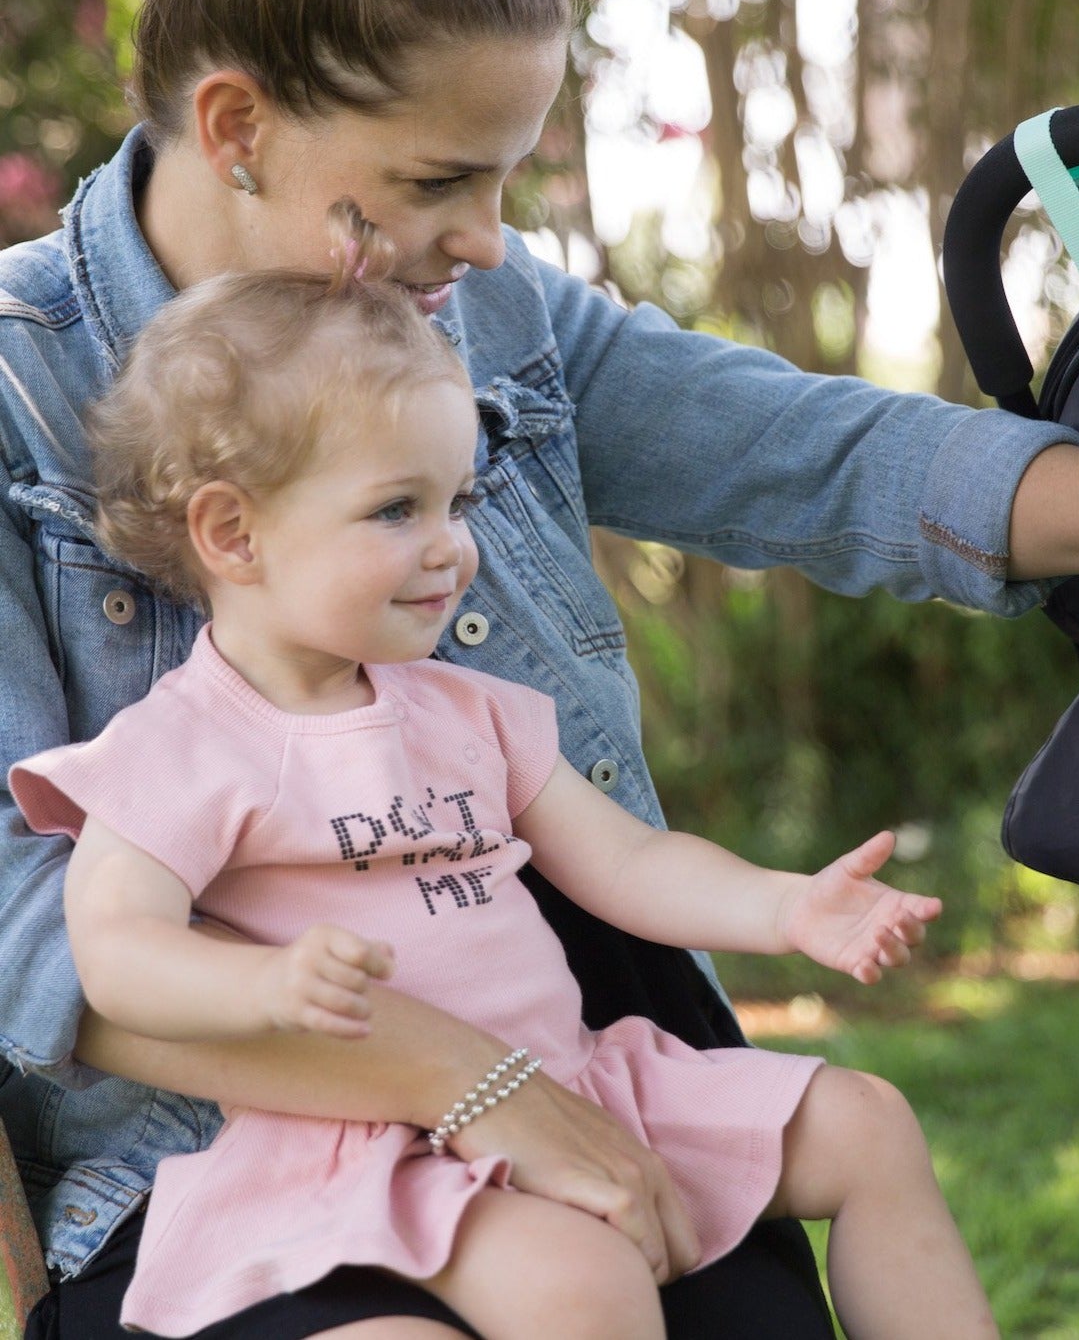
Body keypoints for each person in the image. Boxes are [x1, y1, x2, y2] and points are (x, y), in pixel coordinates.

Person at [0, 0, 1079, 1336]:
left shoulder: (485, 319)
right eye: (427, 186)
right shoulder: (21, 391)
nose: (480, 244)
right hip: (230, 1143)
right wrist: (466, 1088)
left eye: (500, 184)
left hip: (572, 1036)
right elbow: (38, 945)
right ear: (237, 128)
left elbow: (821, 457)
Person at [10, 230, 1000, 1340]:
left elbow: (626, 860)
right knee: (582, 1284)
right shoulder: (182, 747)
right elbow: (115, 951)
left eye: (459, 502)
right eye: (397, 510)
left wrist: (786, 904)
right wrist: (261, 988)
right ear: (233, 532)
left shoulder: (462, 709)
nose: (452, 550)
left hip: (569, 1080)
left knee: (867, 1123)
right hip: (364, 1140)